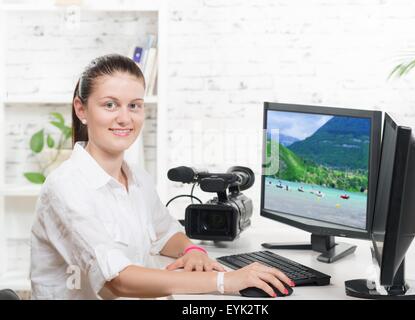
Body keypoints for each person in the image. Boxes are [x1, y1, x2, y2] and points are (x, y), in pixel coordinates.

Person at [30, 54, 293, 299]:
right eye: (110, 105)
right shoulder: (66, 187)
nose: (124, 118)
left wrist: (192, 251)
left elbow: (165, 233)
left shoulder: (137, 178)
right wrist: (224, 281)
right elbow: (117, 280)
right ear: (81, 109)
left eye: (134, 106)